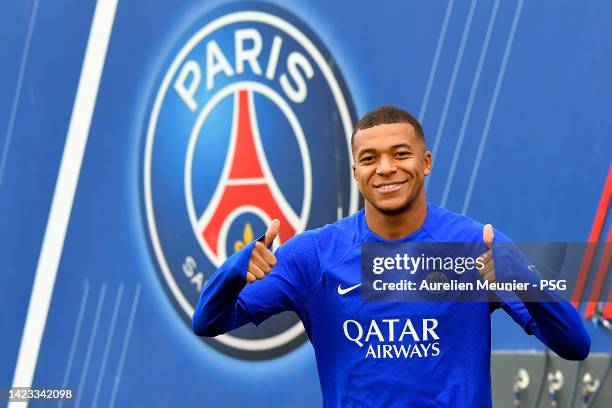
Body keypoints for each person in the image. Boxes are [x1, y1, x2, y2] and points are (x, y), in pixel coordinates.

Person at [192, 106, 590, 407]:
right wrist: (233, 271)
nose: (385, 169)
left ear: (426, 162)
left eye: (401, 154)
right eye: (369, 159)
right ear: (355, 171)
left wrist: (522, 278)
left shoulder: (474, 245)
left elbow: (575, 345)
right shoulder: (315, 256)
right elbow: (208, 321)